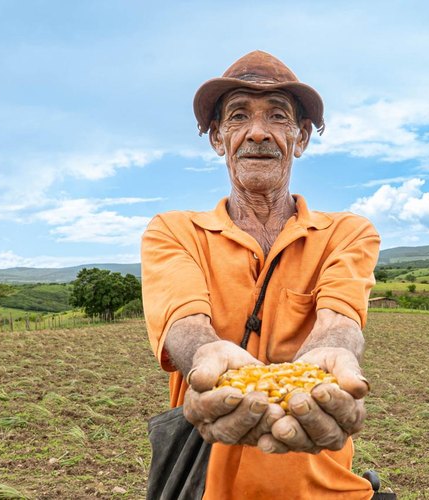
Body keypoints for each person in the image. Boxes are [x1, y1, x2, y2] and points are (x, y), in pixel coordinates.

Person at [142, 50, 380, 499]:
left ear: (301, 137)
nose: (257, 132)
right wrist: (209, 356)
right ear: (217, 138)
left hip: (329, 491)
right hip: (207, 490)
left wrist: (326, 364)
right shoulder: (173, 231)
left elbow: (338, 321)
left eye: (277, 116)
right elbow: (184, 324)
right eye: (238, 116)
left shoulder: (348, 233)